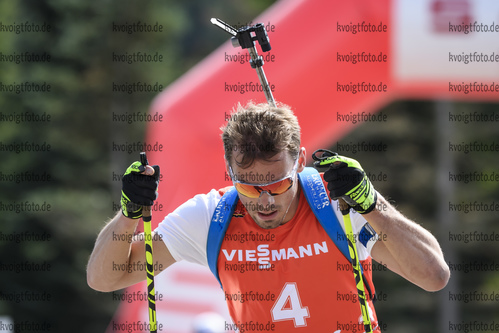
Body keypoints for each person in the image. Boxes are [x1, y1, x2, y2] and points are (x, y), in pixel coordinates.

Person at [87, 101, 450, 332]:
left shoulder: (337, 204)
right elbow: (105, 278)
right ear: (228, 170)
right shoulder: (212, 215)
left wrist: (372, 204)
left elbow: (433, 276)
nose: (263, 201)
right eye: (247, 187)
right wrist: (128, 214)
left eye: (277, 186)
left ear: (301, 162)